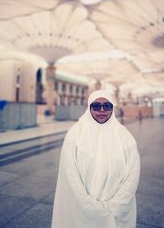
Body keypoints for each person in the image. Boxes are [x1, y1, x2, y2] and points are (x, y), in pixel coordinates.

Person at [51, 90, 140, 228]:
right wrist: (87, 205)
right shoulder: (75, 135)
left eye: (107, 106)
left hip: (116, 211)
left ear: (112, 108)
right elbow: (70, 174)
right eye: (96, 106)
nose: (102, 110)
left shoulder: (125, 136)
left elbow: (132, 175)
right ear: (89, 107)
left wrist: (115, 206)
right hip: (81, 209)